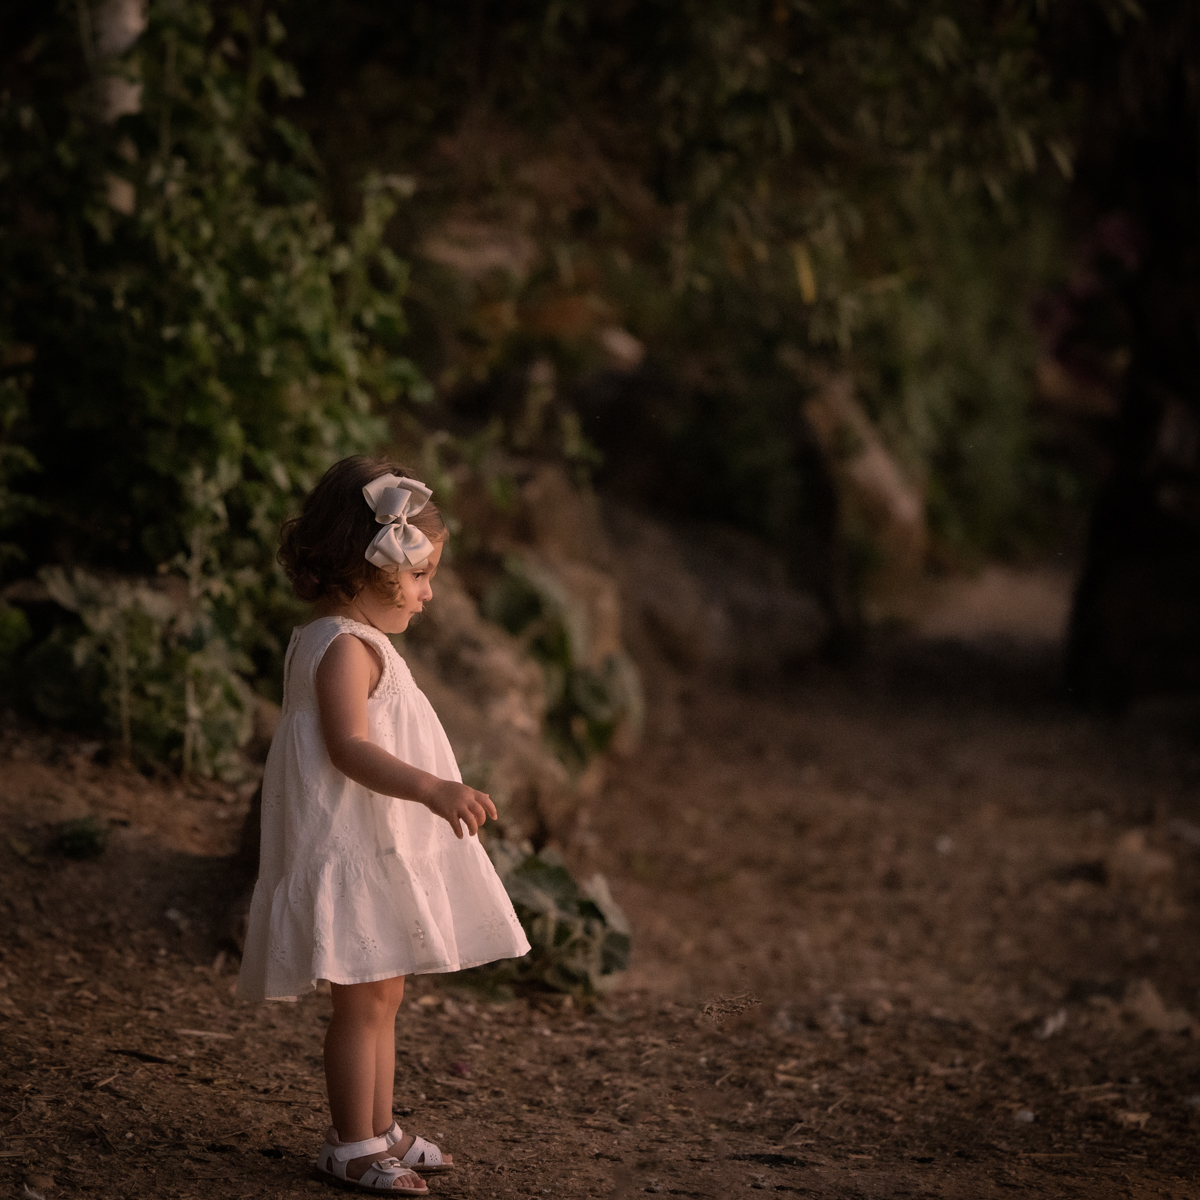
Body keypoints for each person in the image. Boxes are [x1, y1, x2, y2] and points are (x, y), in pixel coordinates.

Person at [237, 456, 531, 1195]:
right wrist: (433, 787)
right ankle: (354, 1145)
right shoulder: (342, 645)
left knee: (382, 994)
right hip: (346, 843)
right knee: (363, 1000)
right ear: (366, 567)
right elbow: (350, 747)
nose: (430, 592)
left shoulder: (344, 637)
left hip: (369, 840)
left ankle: (380, 1126)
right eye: (422, 573)